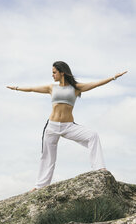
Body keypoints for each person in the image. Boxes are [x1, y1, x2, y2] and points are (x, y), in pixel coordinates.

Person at [7, 61, 127, 192]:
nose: (52, 75)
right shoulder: (51, 88)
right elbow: (31, 89)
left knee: (92, 135)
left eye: (54, 72)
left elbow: (96, 84)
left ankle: (99, 168)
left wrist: (113, 77)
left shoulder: (76, 88)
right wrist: (17, 88)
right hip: (52, 127)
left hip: (68, 126)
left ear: (62, 72)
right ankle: (40, 186)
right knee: (47, 157)